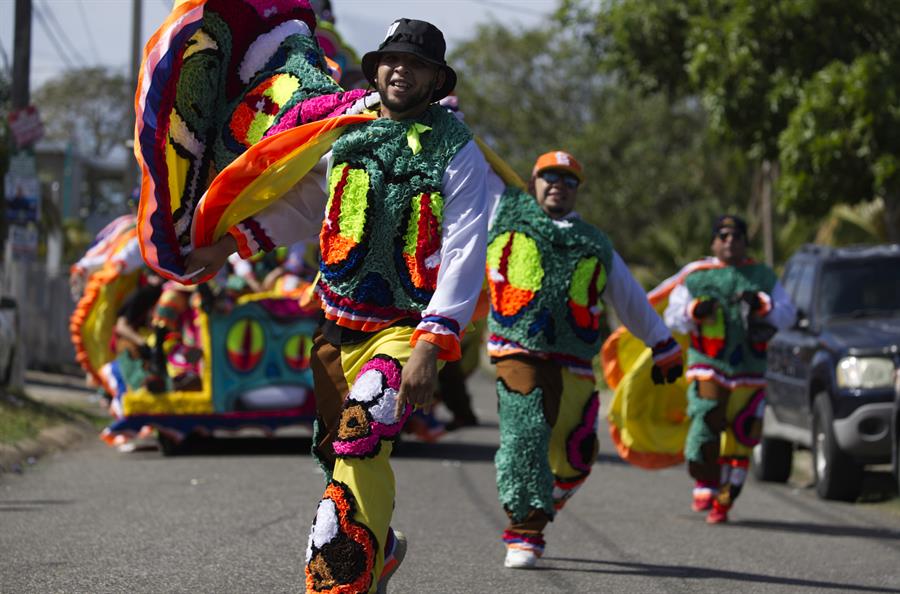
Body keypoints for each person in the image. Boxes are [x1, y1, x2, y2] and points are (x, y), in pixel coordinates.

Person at [186, 18, 490, 594]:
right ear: (376, 69)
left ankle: (338, 580)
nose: (402, 70)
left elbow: (465, 251)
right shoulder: (343, 131)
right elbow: (302, 208)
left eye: (417, 64)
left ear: (434, 80)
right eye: (392, 60)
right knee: (340, 455)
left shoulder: (458, 152)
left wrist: (431, 342)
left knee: (363, 431)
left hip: (405, 328)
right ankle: (384, 548)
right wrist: (227, 247)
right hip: (336, 325)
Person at [486, 150, 683, 569]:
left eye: (569, 180)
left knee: (577, 453)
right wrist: (446, 116)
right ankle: (524, 531)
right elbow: (470, 163)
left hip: (574, 360)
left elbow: (629, 297)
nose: (559, 185)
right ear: (533, 181)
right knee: (525, 436)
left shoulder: (594, 242)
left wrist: (662, 343)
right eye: (550, 177)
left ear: (578, 190)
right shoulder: (502, 212)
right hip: (517, 349)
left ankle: (545, 498)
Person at [663, 215, 795, 523]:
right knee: (706, 421)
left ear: (745, 241)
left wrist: (763, 305)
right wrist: (694, 310)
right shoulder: (697, 275)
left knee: (743, 434)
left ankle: (726, 498)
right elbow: (672, 317)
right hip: (708, 365)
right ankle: (705, 480)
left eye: (736, 235)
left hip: (750, 370)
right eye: (722, 235)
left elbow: (787, 315)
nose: (729, 240)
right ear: (713, 241)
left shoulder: (761, 275)